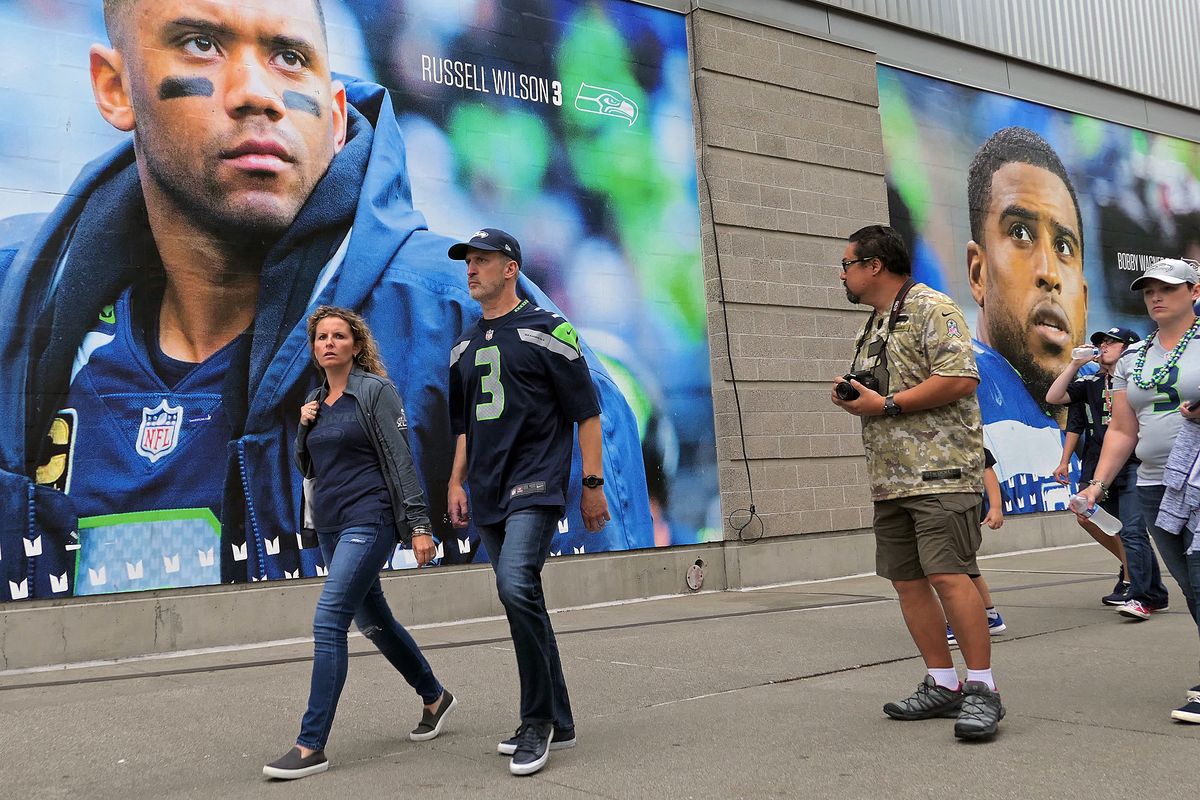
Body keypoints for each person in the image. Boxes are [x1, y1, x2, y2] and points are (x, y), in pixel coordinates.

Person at [0, 0, 652, 600]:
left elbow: (578, 663)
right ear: (116, 87)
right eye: (200, 43)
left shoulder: (481, 338)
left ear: (336, 116)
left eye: (290, 57)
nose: (256, 92)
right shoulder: (15, 314)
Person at [264, 306, 455, 779]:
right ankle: (434, 695)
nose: (328, 343)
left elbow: (400, 459)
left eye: (338, 337)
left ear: (356, 345)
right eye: (321, 338)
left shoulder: (375, 392)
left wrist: (419, 524)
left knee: (330, 620)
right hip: (330, 525)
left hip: (368, 521)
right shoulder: (314, 400)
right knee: (375, 621)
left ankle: (311, 746)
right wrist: (304, 428)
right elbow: (308, 468)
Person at [833, 224, 1004, 740]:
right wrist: (857, 394)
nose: (842, 275)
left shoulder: (933, 307)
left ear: (873, 266)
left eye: (846, 265)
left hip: (940, 473)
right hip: (892, 479)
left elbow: (959, 378)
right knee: (908, 583)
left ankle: (982, 690)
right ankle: (942, 682)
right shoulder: (876, 323)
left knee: (951, 577)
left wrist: (884, 403)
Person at [446, 229, 607, 775]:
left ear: (510, 268)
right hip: (487, 488)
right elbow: (464, 426)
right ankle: (558, 719)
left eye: (482, 261)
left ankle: (535, 721)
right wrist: (455, 482)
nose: (472, 270)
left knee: (515, 585)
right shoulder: (463, 346)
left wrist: (591, 485)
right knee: (522, 597)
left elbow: (586, 411)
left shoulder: (549, 328)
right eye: (468, 262)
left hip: (536, 482)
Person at [1077, 258, 1200, 724]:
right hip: (1154, 484)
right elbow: (1123, 431)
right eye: (1148, 289)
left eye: (1167, 288)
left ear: (1194, 290)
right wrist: (1097, 485)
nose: (1155, 296)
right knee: (1189, 588)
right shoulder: (1133, 359)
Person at [966, 126, 1090, 513]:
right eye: (1020, 233)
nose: (1049, 272)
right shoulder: (958, 390)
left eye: (1064, 246)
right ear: (978, 273)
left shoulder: (1113, 403)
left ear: (1084, 298)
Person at [1047, 326, 1170, 615]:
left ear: (1129, 349)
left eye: (1111, 342)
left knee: (1132, 530)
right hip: (1101, 467)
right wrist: (1075, 363)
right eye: (1100, 342)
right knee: (1100, 521)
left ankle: (1140, 593)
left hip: (1135, 464)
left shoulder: (1140, 379)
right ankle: (1151, 590)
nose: (1103, 346)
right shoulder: (1091, 381)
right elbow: (1054, 397)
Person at [946, 448, 1007, 646]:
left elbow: (986, 469)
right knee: (966, 567)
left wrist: (996, 507)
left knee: (953, 567)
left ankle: (962, 622)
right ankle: (989, 616)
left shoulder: (961, 435)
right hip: (945, 510)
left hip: (960, 510)